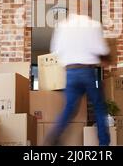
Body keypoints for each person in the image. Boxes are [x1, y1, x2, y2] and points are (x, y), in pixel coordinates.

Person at [45, 13, 111, 146]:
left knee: (69, 108)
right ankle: (104, 144)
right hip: (87, 71)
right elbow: (102, 49)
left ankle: (55, 134)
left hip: (70, 72)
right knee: (99, 106)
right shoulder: (93, 25)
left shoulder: (62, 26)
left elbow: (55, 51)